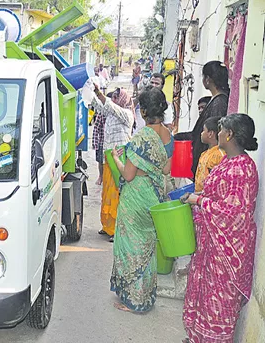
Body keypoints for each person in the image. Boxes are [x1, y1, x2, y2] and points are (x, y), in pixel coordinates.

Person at [180, 113, 259, 342]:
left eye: (222, 130)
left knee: (219, 299)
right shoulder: (228, 162)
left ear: (230, 135)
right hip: (211, 246)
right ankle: (199, 336)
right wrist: (201, 196)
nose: (219, 134)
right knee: (205, 293)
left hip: (226, 252)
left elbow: (234, 213)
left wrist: (198, 201)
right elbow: (218, 194)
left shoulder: (242, 170)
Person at [110, 87, 173, 313]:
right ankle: (145, 296)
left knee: (132, 247)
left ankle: (134, 300)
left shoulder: (140, 138)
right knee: (146, 246)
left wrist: (117, 159)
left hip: (135, 198)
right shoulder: (167, 135)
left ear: (143, 111)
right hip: (154, 196)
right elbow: (166, 169)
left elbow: (127, 175)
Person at [91, 86, 134, 242]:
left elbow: (109, 105)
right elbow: (98, 106)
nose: (113, 99)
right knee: (108, 193)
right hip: (110, 156)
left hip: (120, 156)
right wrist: (90, 93)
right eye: (113, 97)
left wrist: (98, 93)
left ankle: (118, 230)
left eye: (116, 97)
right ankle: (108, 225)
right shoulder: (110, 114)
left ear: (122, 99)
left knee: (118, 193)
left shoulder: (126, 114)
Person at [176, 61, 229, 175]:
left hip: (210, 163)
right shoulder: (214, 99)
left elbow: (215, 133)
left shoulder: (219, 102)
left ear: (208, 79)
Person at [194, 116, 223, 193]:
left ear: (210, 134)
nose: (201, 133)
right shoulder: (204, 154)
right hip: (199, 195)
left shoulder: (219, 155)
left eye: (203, 130)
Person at [92, 92, 114, 185]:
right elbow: (96, 129)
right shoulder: (101, 114)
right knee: (100, 161)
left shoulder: (116, 114)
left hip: (113, 142)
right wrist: (95, 144)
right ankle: (101, 176)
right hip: (102, 142)